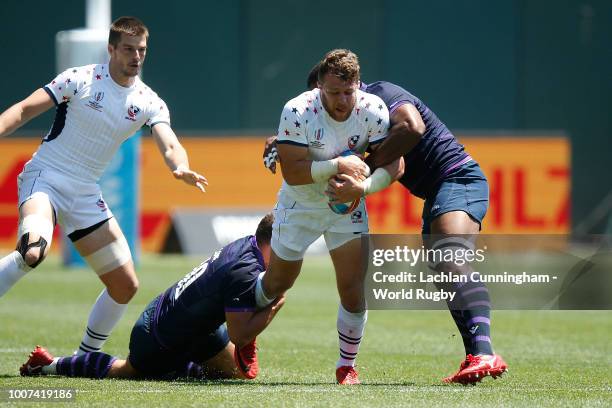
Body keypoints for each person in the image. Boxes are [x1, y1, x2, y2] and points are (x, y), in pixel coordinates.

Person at [263, 64, 508, 384]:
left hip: (459, 178)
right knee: (444, 270)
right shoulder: (345, 119)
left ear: (350, 86)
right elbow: (320, 144)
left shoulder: (380, 95)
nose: (332, 106)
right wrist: (279, 142)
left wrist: (364, 168)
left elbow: (413, 126)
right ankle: (475, 356)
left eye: (337, 95)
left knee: (450, 257)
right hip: (436, 192)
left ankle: (485, 353)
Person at [0, 17, 208, 357]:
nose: (136, 57)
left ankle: (85, 357)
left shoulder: (148, 101)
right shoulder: (79, 79)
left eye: (141, 50)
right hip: (46, 178)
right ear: (111, 49)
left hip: (84, 193)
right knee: (33, 250)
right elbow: (23, 110)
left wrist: (180, 167)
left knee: (125, 285)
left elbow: (169, 143)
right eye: (128, 49)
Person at [254, 49, 404, 385]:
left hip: (346, 206)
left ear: (358, 85)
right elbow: (292, 174)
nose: (341, 100)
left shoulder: (373, 110)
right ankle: (246, 334)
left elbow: (395, 163)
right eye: (333, 92)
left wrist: (362, 188)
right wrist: (339, 165)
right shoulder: (297, 110)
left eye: (348, 92)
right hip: (300, 203)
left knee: (353, 287)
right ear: (319, 86)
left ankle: (346, 365)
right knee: (279, 282)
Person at [20, 214, 284, 380]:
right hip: (158, 334)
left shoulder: (248, 244)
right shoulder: (245, 269)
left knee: (238, 373)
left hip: (193, 325)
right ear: (276, 241)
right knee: (126, 370)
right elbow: (240, 335)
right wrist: (273, 308)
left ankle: (176, 367)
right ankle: (49, 364)